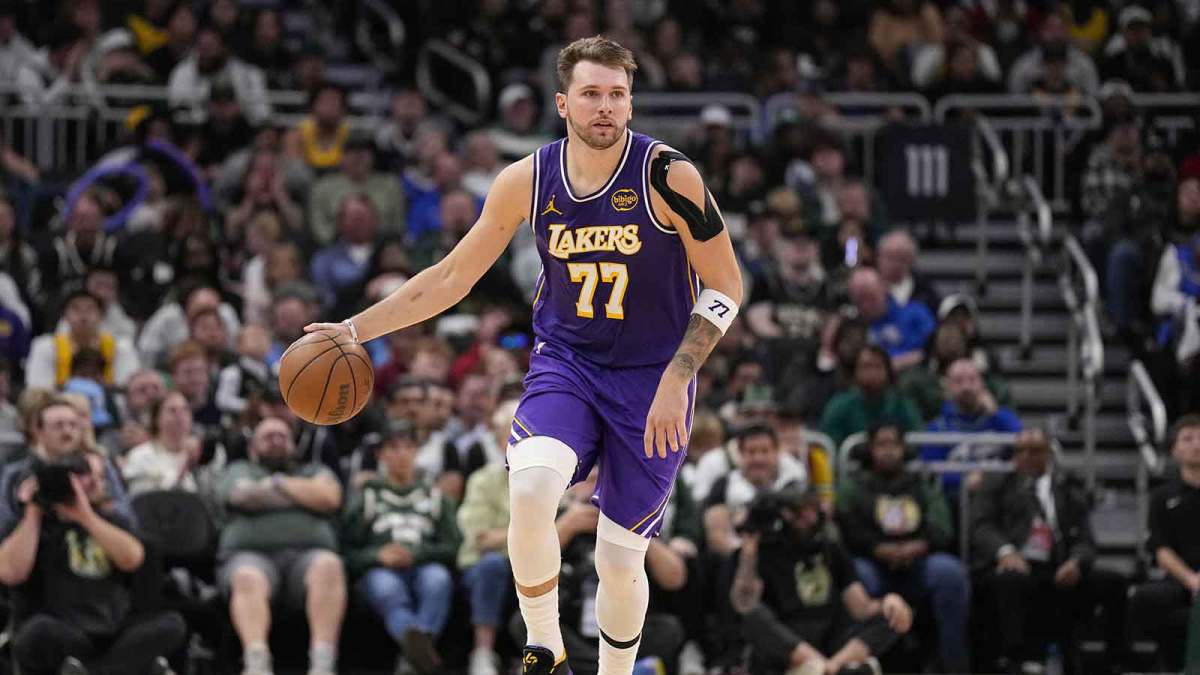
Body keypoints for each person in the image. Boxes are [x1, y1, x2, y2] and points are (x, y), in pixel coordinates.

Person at [305, 35, 744, 675]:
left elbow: (726, 286)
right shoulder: (527, 179)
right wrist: (354, 328)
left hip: (653, 377)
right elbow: (452, 278)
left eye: (618, 95)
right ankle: (545, 648)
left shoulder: (668, 176)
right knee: (532, 487)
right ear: (563, 103)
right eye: (592, 94)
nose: (606, 107)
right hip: (567, 361)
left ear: (631, 102)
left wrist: (682, 374)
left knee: (620, 559)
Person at [0, 396, 186, 675]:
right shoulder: (31, 514)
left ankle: (92, 672)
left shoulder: (112, 518)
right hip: (62, 629)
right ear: (38, 432)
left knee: (172, 624)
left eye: (93, 476)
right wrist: (34, 510)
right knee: (36, 634)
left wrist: (84, 515)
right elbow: (9, 573)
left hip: (114, 630)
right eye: (78, 475)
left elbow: (133, 559)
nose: (87, 482)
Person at [971, 428, 1127, 673]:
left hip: (1059, 566)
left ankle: (1114, 662)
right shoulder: (997, 485)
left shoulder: (1067, 487)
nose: (1026, 456)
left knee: (1114, 582)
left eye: (1034, 451)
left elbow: (1086, 539)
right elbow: (981, 527)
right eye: (1019, 451)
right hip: (1016, 565)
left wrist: (1076, 561)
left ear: (1049, 454)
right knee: (1010, 581)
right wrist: (1006, 552)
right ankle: (1018, 661)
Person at [728, 485, 913, 675]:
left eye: (811, 509)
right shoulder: (762, 551)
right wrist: (748, 556)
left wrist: (888, 603)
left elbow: (861, 608)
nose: (806, 517)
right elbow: (743, 603)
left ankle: (829, 668)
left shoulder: (830, 549)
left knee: (892, 614)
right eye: (798, 511)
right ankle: (827, 667)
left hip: (828, 638)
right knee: (753, 614)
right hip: (784, 644)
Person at [215, 417, 347, 675]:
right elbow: (242, 496)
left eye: (282, 436)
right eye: (268, 436)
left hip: (309, 558)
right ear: (252, 447)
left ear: (294, 446)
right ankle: (257, 664)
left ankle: (322, 664)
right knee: (247, 577)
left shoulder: (313, 469)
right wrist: (305, 497)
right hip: (250, 557)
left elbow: (329, 497)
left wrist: (277, 484)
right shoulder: (239, 469)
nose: (276, 441)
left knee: (329, 566)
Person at [836, 424, 970, 672]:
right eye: (881, 445)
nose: (888, 451)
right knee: (857, 576)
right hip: (872, 561)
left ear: (903, 449)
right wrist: (877, 549)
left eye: (894, 445)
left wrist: (917, 547)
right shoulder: (854, 486)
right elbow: (846, 526)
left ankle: (952, 662)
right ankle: (860, 662)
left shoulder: (922, 484)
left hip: (918, 561)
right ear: (870, 449)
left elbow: (942, 526)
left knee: (950, 573)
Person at [340, 422, 461, 675]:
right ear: (380, 455)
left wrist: (417, 554)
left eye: (408, 447)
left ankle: (412, 657)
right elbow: (346, 550)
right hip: (380, 570)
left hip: (424, 565)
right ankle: (419, 653)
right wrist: (376, 555)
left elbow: (453, 546)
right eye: (394, 448)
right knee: (387, 588)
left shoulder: (436, 497)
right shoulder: (367, 497)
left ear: (417, 452)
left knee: (437, 580)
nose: (402, 454)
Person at [1130, 414, 1200, 671]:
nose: (1197, 444)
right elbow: (1161, 549)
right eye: (1188, 438)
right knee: (1145, 600)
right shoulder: (1162, 496)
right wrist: (1192, 580)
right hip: (1184, 579)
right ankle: (1170, 665)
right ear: (1174, 450)